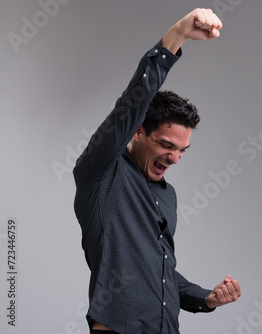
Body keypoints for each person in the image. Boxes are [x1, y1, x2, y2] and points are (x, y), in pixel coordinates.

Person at [73, 8, 241, 334]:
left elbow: (160, 271)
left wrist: (207, 298)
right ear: (137, 131)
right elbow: (130, 104)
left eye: (182, 150)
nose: (175, 158)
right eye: (167, 145)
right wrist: (176, 35)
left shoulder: (168, 196)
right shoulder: (101, 171)